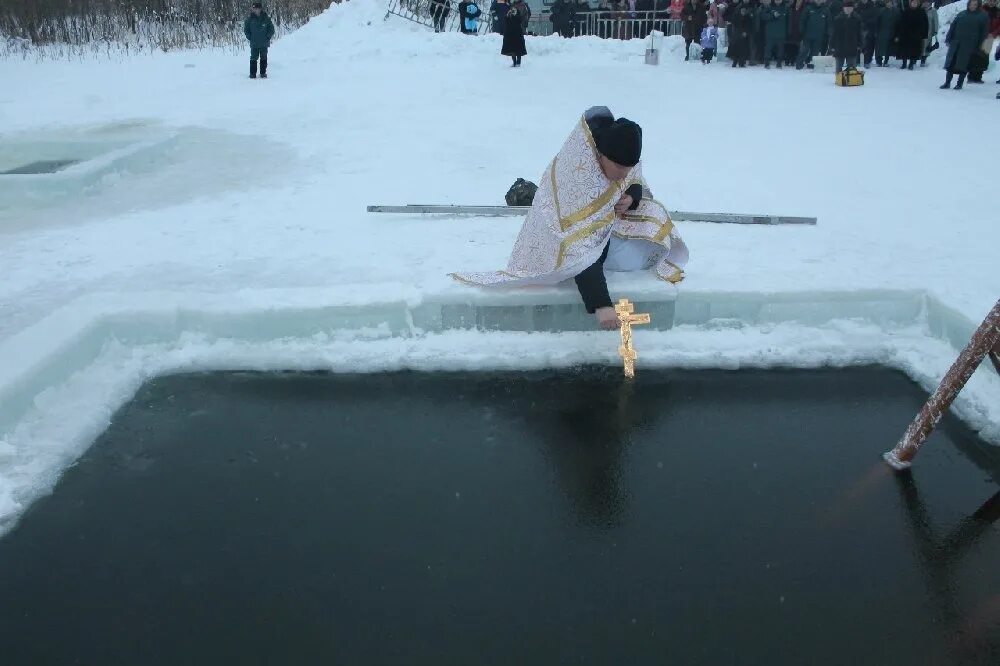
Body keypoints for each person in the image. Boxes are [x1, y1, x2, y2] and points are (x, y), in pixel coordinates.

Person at [451, 107, 688, 331]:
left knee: (654, 211)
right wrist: (601, 304)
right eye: (619, 168)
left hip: (601, 230)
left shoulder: (616, 152)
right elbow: (580, 247)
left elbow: (634, 178)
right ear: (601, 155)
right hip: (558, 242)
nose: (622, 175)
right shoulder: (578, 179)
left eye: (628, 168)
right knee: (620, 254)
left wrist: (631, 197)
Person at [941, 0, 988, 89]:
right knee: (951, 64)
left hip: (969, 45)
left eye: (975, 4)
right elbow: (953, 26)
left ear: (978, 5)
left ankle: (959, 84)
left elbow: (984, 33)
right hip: (956, 43)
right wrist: (948, 38)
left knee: (964, 65)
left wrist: (979, 45)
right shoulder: (961, 14)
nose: (972, 6)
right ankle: (947, 83)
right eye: (971, 4)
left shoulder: (982, 16)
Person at [244, 2, 275, 80]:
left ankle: (263, 73)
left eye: (257, 8)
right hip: (254, 43)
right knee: (253, 58)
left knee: (263, 57)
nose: (256, 10)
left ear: (260, 9)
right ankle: (252, 74)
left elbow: (271, 29)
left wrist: (267, 37)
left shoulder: (266, 18)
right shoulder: (249, 19)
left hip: (264, 43)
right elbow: (246, 30)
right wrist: (250, 37)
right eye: (254, 8)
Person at [797, 0, 832, 68]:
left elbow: (829, 23)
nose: (818, 1)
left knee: (815, 52)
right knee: (805, 50)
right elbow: (802, 20)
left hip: (819, 35)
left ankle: (810, 63)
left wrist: (829, 32)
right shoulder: (808, 8)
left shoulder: (826, 10)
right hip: (807, 35)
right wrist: (802, 30)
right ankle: (799, 63)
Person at [896, 0, 929, 68]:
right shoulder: (906, 11)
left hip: (916, 35)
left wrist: (924, 34)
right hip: (906, 34)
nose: (914, 4)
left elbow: (925, 24)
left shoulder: (921, 12)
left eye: (915, 3)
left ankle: (911, 64)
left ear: (918, 4)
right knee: (904, 50)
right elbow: (901, 23)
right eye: (913, 3)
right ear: (910, 3)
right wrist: (899, 33)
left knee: (914, 50)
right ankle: (904, 63)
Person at [831, 0, 863, 71]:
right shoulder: (838, 19)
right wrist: (832, 45)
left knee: (851, 68)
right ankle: (839, 77)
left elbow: (860, 33)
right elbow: (834, 33)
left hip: (852, 46)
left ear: (853, 8)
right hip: (839, 46)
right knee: (839, 67)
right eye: (846, 8)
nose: (848, 9)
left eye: (850, 7)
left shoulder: (857, 19)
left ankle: (850, 77)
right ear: (843, 8)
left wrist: (860, 44)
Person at [761, 0, 790, 68]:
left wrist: (788, 32)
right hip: (770, 33)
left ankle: (779, 63)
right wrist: (772, 15)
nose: (778, 1)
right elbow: (763, 16)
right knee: (768, 49)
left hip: (781, 33)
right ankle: (767, 63)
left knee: (780, 49)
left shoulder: (785, 8)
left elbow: (788, 21)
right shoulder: (769, 7)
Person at [502, 0, 528, 66]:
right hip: (510, 32)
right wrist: (507, 15)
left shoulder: (519, 9)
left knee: (518, 47)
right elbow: (505, 20)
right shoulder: (508, 11)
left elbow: (521, 19)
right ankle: (514, 62)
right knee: (512, 49)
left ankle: (518, 62)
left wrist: (515, 16)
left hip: (517, 32)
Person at [728, 0, 754, 65]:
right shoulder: (736, 15)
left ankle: (741, 62)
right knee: (736, 48)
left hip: (744, 35)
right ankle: (735, 62)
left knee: (743, 49)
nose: (743, 11)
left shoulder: (747, 17)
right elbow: (735, 24)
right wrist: (741, 32)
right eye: (742, 10)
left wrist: (745, 32)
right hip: (737, 34)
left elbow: (749, 26)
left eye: (744, 10)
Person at [874, 0, 900, 66]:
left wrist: (897, 34)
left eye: (890, 2)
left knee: (888, 48)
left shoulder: (896, 11)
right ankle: (879, 61)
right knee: (879, 48)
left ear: (892, 3)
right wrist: (876, 31)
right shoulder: (881, 11)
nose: (889, 4)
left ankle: (886, 61)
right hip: (881, 32)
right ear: (885, 3)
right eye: (887, 2)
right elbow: (877, 22)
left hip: (891, 32)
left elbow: (898, 23)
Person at [858, 0, 881, 66]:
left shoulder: (872, 7)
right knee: (860, 46)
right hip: (860, 29)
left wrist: (866, 22)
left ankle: (867, 61)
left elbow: (875, 19)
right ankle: (859, 61)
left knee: (868, 46)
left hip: (870, 29)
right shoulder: (858, 7)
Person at [787, 0, 808, 64]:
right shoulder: (791, 9)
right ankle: (788, 58)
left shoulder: (804, 10)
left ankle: (794, 59)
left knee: (797, 45)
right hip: (791, 29)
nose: (798, 3)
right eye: (797, 1)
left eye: (800, 1)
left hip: (799, 30)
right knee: (789, 45)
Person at [920, 0, 939, 65]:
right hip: (920, 31)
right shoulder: (920, 10)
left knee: (926, 46)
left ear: (930, 3)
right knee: (920, 45)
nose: (926, 3)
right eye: (924, 2)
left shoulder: (933, 10)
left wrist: (935, 30)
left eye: (927, 2)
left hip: (928, 31)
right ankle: (916, 58)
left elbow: (936, 21)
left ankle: (923, 60)